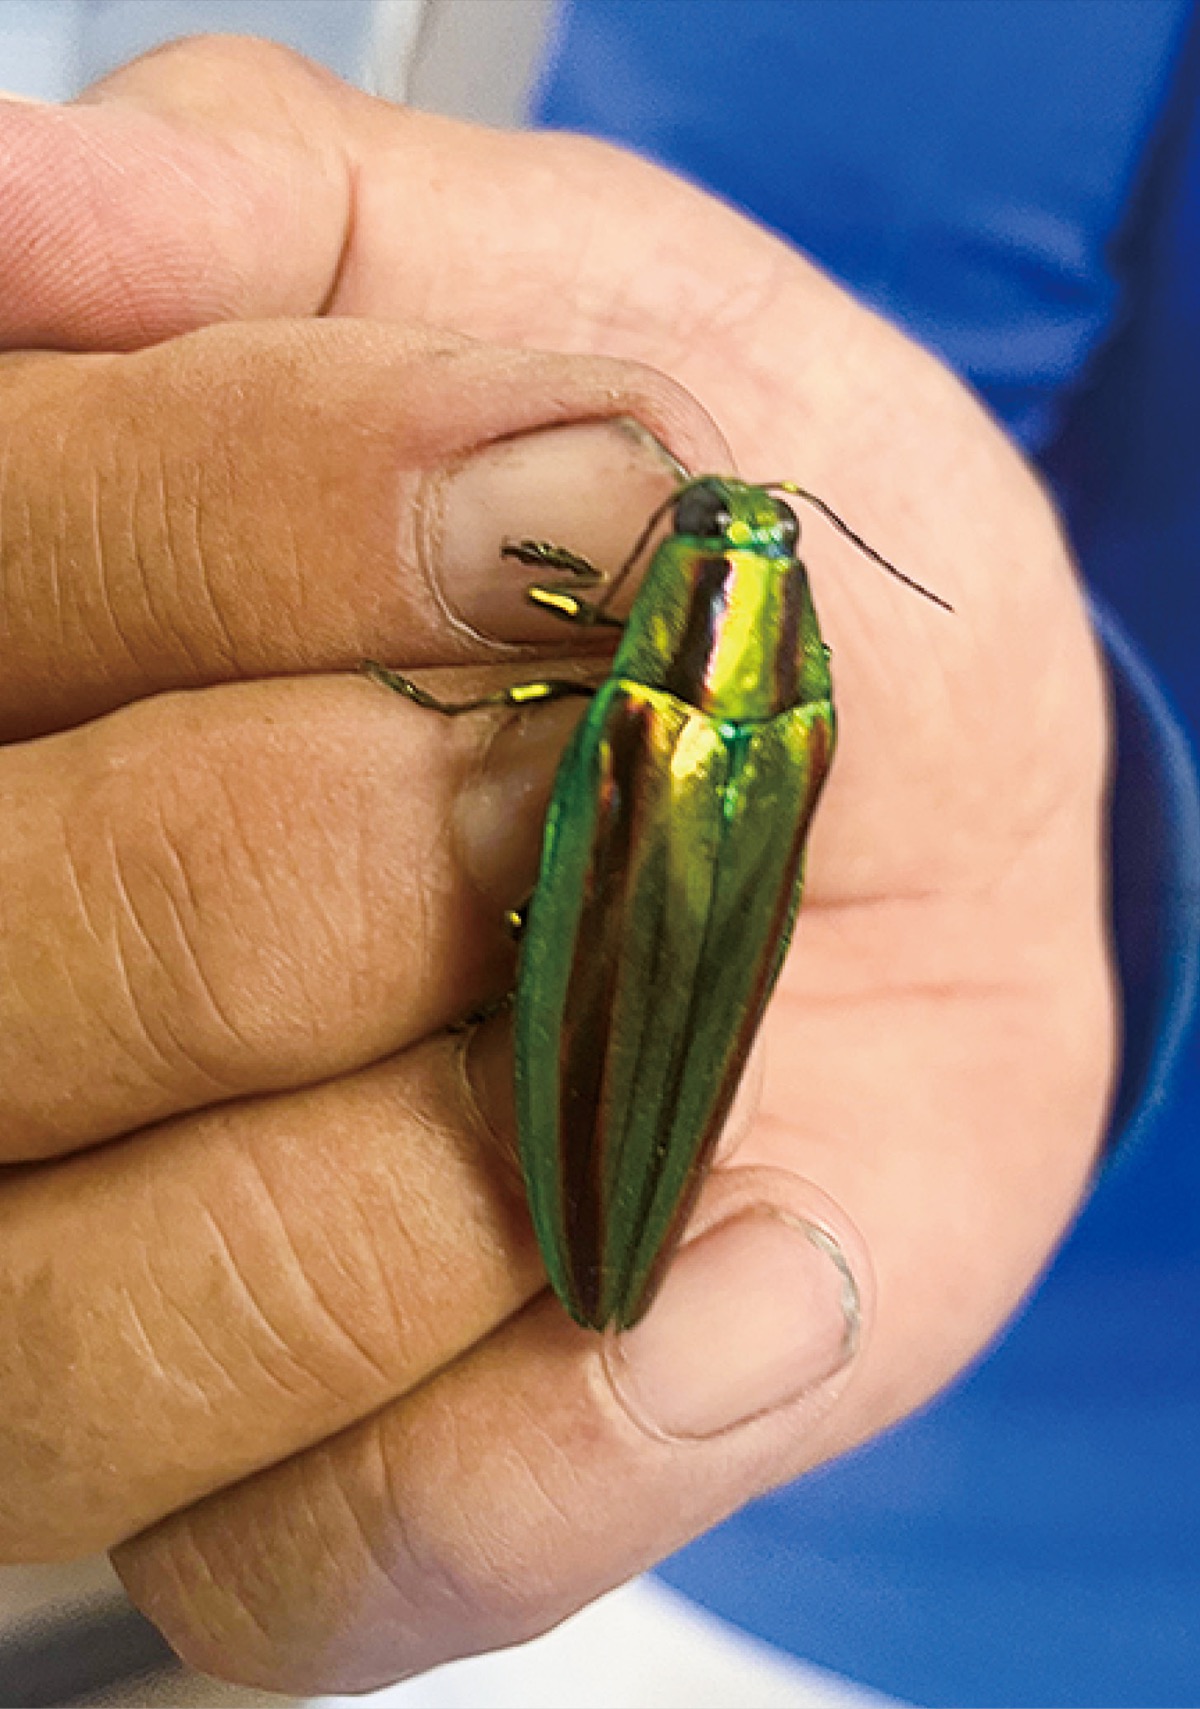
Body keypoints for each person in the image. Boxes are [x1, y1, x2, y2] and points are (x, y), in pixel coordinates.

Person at [0, 5, 1192, 1706]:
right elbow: (873, 229)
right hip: (796, 1536)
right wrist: (1104, 823)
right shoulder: (802, 725)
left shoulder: (649, 696)